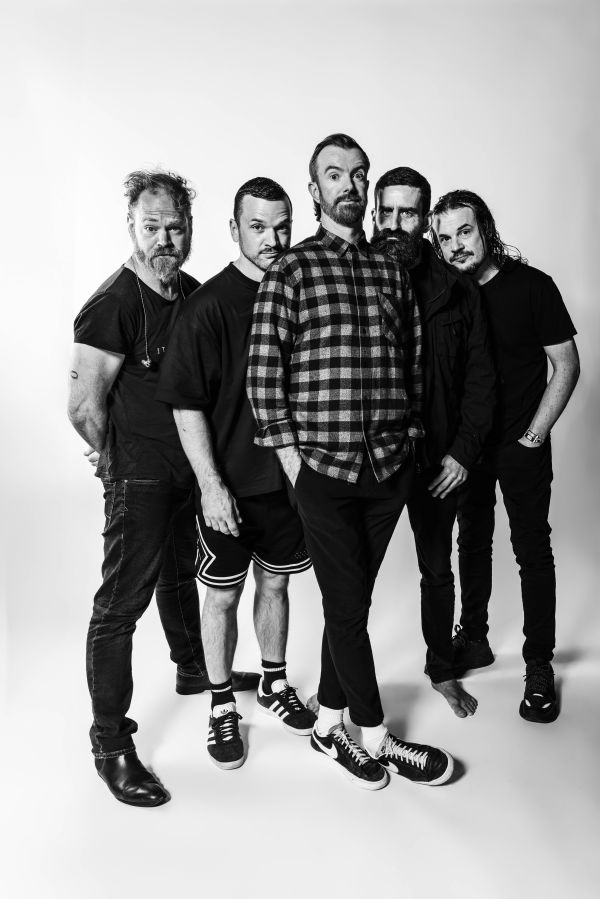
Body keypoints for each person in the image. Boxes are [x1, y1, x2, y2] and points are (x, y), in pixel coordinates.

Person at [247, 134, 454, 791]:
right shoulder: (292, 270)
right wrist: (292, 463)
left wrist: (411, 436)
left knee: (351, 604)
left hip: (389, 466)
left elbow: (412, 362)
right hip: (323, 470)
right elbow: (263, 374)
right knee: (346, 605)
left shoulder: (391, 272)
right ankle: (376, 734)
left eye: (359, 174)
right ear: (315, 190)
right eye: (334, 174)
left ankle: (327, 722)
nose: (350, 184)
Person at [68, 170, 257, 807]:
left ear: (191, 229)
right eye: (151, 227)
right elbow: (83, 405)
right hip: (140, 475)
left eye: (175, 227)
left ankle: (193, 669)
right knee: (120, 605)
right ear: (132, 226)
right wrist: (112, 458)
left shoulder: (193, 295)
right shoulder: (114, 303)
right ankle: (109, 745)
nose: (164, 240)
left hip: (191, 471)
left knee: (180, 576)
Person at [156, 178, 314, 771]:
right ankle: (222, 703)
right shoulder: (208, 307)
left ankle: (274, 682)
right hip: (228, 486)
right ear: (234, 230)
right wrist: (211, 486)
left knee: (276, 585)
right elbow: (185, 404)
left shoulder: (300, 292)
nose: (273, 239)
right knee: (221, 596)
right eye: (258, 227)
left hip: (287, 482)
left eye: (282, 226)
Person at [431, 190, 580, 723]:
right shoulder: (447, 293)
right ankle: (474, 639)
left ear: (486, 229)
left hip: (522, 445)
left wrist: (534, 436)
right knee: (471, 543)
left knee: (531, 550)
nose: (456, 245)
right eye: (444, 237)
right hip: (469, 449)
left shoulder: (532, 286)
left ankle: (539, 663)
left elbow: (566, 364)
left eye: (464, 231)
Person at [371, 167, 496, 717]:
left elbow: (481, 379)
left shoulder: (456, 288)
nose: (396, 223)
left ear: (425, 220)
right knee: (353, 579)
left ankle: (442, 669)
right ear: (375, 214)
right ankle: (343, 690)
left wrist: (463, 453)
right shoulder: (352, 275)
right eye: (387, 212)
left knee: (437, 571)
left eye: (409, 213)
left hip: (436, 461)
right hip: (371, 460)